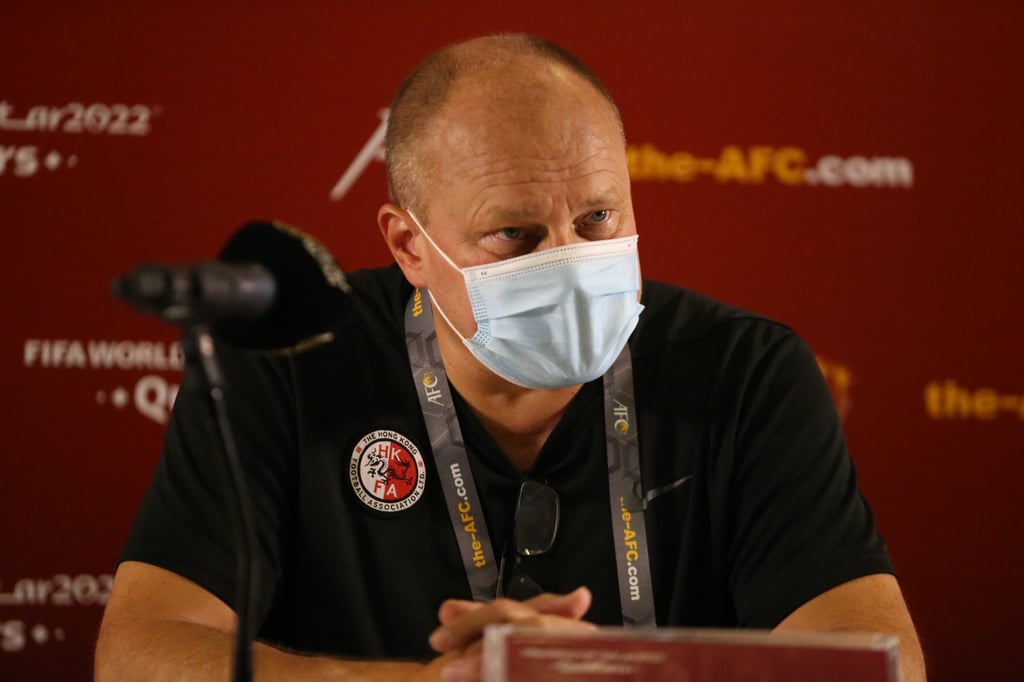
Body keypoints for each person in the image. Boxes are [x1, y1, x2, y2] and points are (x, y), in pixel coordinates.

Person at [95, 33, 926, 682]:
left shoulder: (747, 372)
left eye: (599, 219)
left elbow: (881, 661)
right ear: (408, 246)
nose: (569, 260)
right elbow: (139, 654)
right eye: (516, 235)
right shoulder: (287, 361)